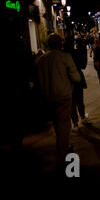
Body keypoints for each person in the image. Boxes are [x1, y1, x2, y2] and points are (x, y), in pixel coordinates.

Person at [36, 33, 81, 163]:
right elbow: (76, 77)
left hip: (48, 97)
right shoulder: (65, 57)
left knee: (56, 123)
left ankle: (61, 147)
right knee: (64, 124)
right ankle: (63, 151)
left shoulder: (40, 60)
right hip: (63, 96)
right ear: (59, 44)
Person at [64, 36, 89, 132]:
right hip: (77, 79)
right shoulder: (76, 53)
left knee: (72, 103)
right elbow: (83, 65)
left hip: (66, 80)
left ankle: (75, 123)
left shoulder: (63, 55)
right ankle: (82, 117)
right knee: (79, 100)